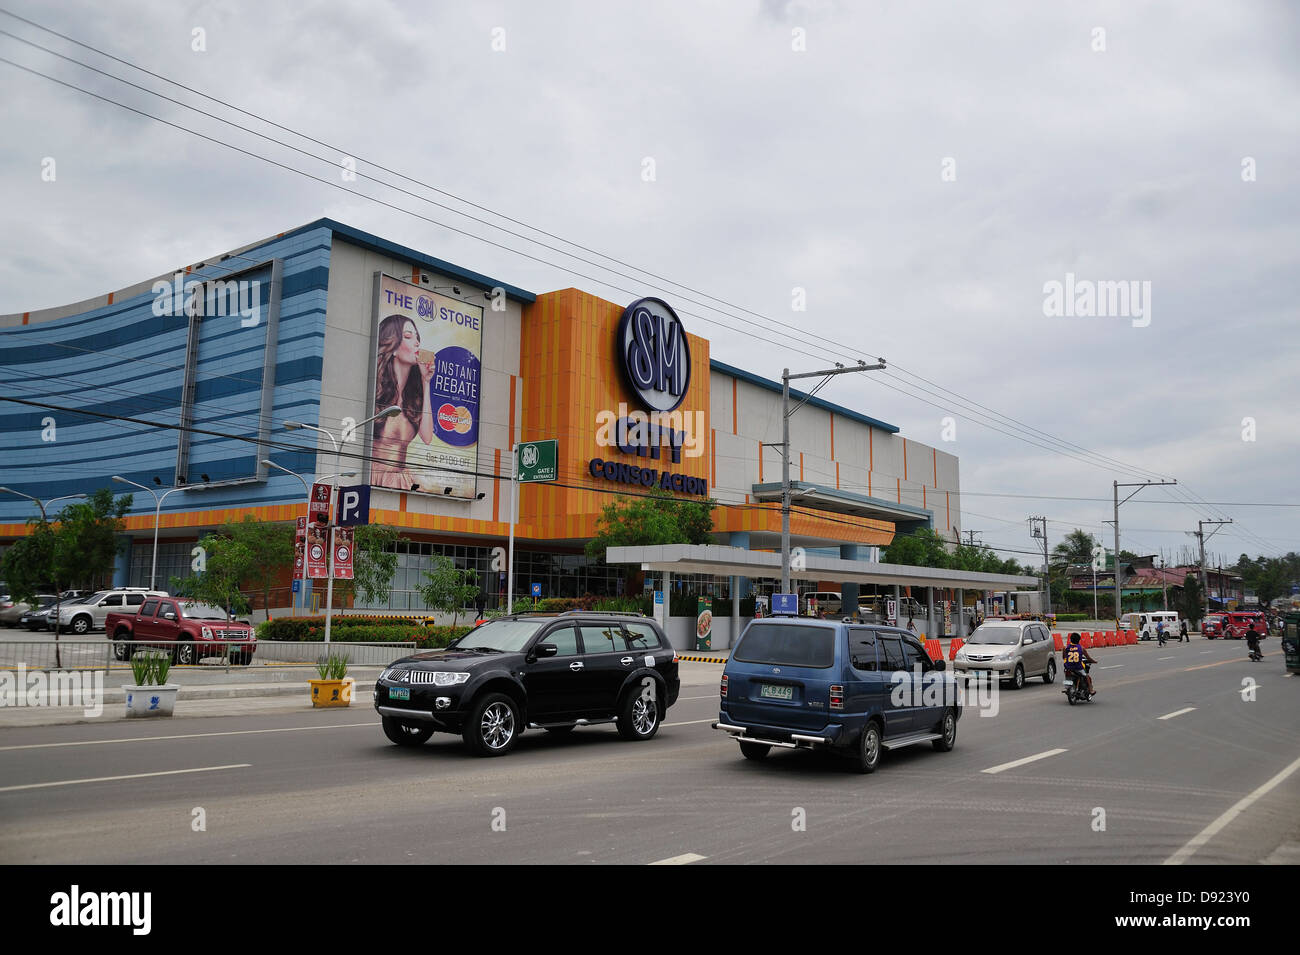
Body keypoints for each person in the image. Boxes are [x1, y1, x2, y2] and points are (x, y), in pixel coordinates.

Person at [371, 314, 435, 489]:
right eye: (408, 336)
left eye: (417, 337)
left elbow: (427, 437)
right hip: (372, 477)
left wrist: (426, 381)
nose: (416, 342)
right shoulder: (376, 390)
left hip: (401, 480)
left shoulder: (413, 396)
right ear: (392, 346)